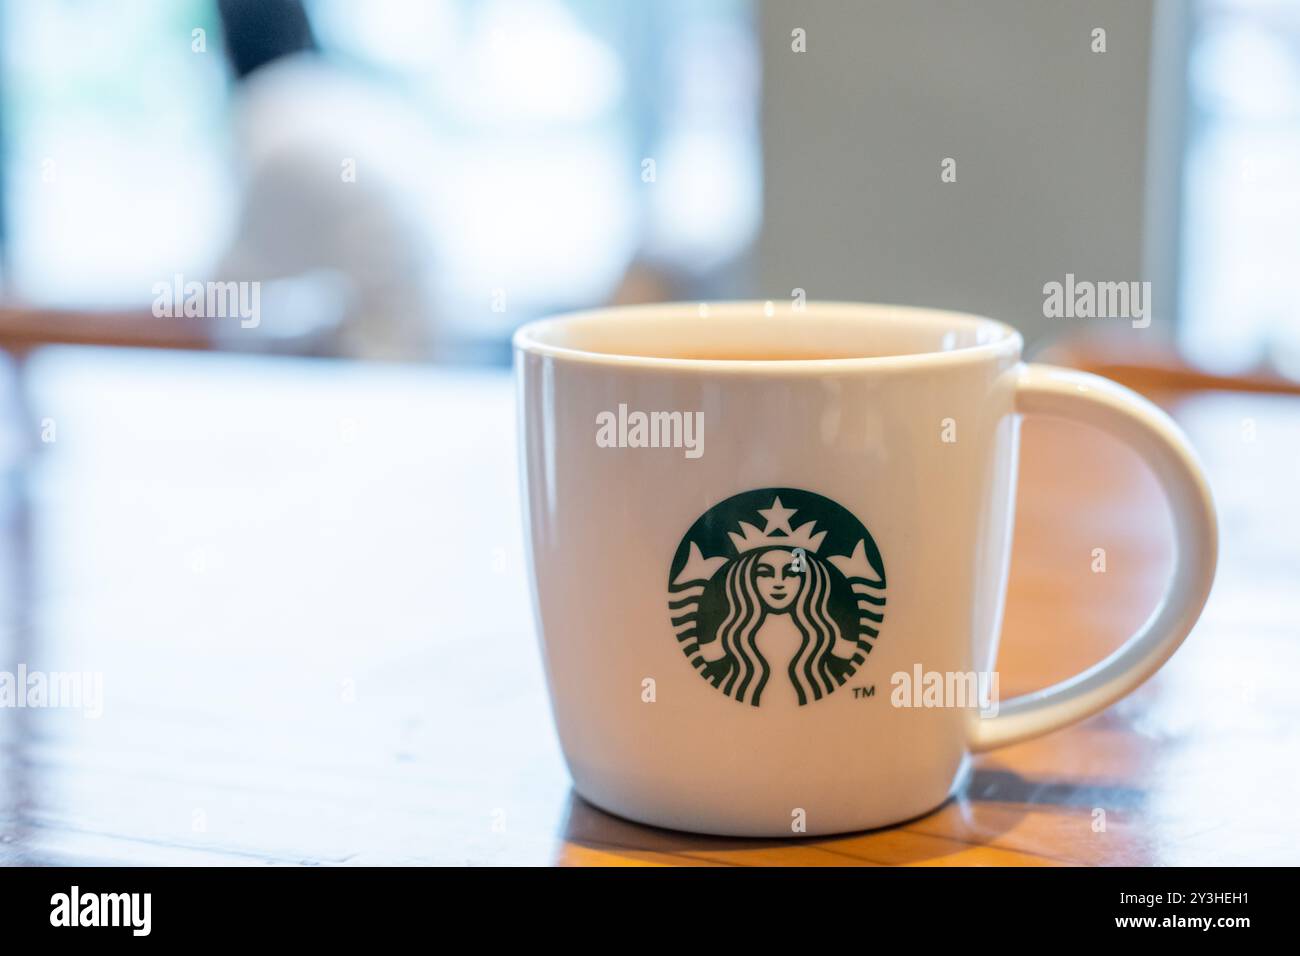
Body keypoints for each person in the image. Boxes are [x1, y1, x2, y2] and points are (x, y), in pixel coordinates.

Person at [213, 0, 438, 360]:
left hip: (381, 362)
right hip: (430, 346)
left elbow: (224, 304)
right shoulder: (338, 93)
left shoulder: (268, 115)